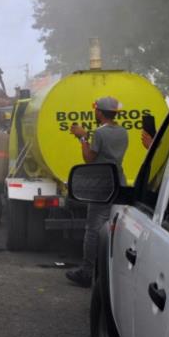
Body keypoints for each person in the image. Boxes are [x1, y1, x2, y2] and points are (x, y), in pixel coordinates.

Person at [65, 97, 129, 288]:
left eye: (96, 110)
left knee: (93, 229)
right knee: (113, 228)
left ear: (99, 112)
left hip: (102, 185)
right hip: (119, 181)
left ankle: (87, 272)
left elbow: (89, 158)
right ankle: (110, 270)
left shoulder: (100, 133)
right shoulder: (123, 131)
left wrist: (83, 138)